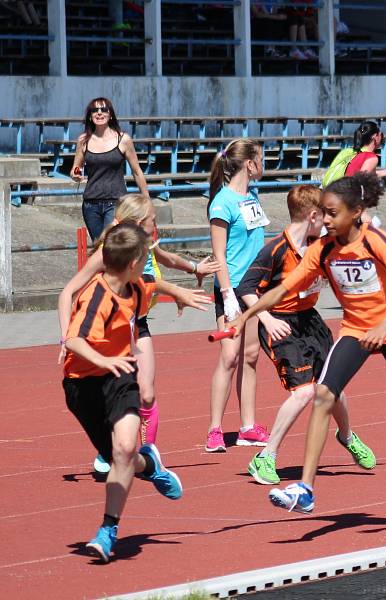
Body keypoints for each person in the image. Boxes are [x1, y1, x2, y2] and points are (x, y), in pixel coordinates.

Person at [227, 172, 386, 513]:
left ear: (355, 211)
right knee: (323, 394)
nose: (324, 220)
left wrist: (384, 325)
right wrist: (247, 315)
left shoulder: (378, 243)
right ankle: (306, 489)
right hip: (356, 330)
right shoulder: (322, 250)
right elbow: (281, 289)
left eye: (332, 213)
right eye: (321, 213)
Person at [58, 193, 217, 472]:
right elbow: (67, 292)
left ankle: (148, 456)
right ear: (139, 222)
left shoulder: (145, 245)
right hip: (112, 330)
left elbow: (161, 266)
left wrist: (193, 270)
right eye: (153, 220)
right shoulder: (111, 252)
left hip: (138, 323)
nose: (156, 226)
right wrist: (65, 337)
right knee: (112, 393)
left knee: (146, 394)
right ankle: (113, 448)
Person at [237, 184, 376, 485]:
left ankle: (347, 436)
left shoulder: (321, 246)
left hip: (310, 321)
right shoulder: (274, 250)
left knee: (332, 386)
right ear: (312, 215)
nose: (327, 221)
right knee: (304, 392)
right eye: (324, 215)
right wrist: (266, 318)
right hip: (281, 324)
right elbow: (245, 289)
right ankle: (266, 457)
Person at [62, 223, 183, 563]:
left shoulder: (136, 286)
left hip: (120, 377)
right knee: (123, 459)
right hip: (83, 384)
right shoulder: (96, 295)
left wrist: (182, 293)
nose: (147, 264)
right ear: (132, 263)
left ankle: (108, 530)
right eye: (145, 258)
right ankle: (151, 465)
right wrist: (102, 358)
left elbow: (153, 283)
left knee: (125, 448)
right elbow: (72, 339)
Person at [206, 138, 271, 452]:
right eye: (261, 158)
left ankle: (247, 427)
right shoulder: (222, 203)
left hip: (254, 287)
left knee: (250, 356)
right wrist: (228, 293)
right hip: (231, 289)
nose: (264, 163)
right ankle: (215, 429)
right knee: (229, 356)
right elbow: (218, 254)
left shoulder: (253, 195)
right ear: (249, 163)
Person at [71, 97, 149, 241]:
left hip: (116, 203)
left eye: (103, 109)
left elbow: (137, 171)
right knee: (99, 247)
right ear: (90, 115)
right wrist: (75, 174)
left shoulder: (123, 139)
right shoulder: (83, 140)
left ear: (110, 114)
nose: (99, 113)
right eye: (95, 110)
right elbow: (76, 167)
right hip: (90, 204)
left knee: (112, 244)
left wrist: (147, 201)